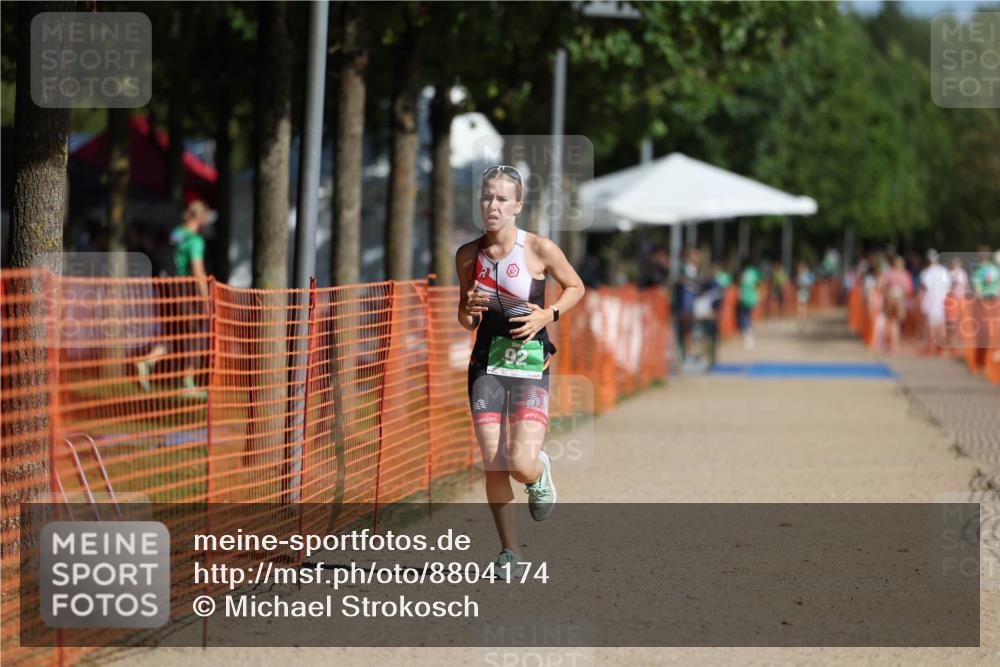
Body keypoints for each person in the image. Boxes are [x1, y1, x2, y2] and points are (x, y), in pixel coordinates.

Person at [456, 165, 585, 575]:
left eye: (501, 199)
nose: (492, 205)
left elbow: (576, 287)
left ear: (517, 205)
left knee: (519, 462)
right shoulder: (467, 256)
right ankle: (510, 552)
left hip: (529, 365)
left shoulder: (539, 249)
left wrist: (548, 314)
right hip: (486, 365)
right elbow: (467, 319)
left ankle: (538, 472)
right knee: (493, 459)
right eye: (486, 197)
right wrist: (467, 309)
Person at [135, 200, 212, 399]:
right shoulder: (196, 241)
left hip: (165, 289)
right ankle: (188, 383)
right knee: (194, 333)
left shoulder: (176, 233)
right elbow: (197, 271)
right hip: (182, 290)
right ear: (200, 219)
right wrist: (205, 299)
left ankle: (148, 360)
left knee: (173, 333)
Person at [672, 247, 701, 368]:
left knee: (689, 332)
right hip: (683, 307)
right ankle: (682, 357)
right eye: (696, 255)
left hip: (690, 306)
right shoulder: (683, 270)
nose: (698, 258)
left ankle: (687, 355)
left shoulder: (694, 270)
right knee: (683, 332)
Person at [879, 255, 913, 355]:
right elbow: (908, 289)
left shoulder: (890, 273)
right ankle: (894, 346)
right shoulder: (905, 274)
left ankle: (890, 345)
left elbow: (883, 286)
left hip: (890, 299)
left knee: (890, 323)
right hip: (899, 299)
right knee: (895, 324)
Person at [919, 250, 950, 355]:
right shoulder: (943, 271)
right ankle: (941, 349)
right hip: (941, 301)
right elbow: (948, 286)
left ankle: (932, 348)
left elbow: (925, 287)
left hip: (932, 301)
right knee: (941, 325)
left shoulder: (926, 272)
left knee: (932, 326)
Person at [736, 261, 761, 349]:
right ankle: (749, 335)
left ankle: (747, 335)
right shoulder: (754, 272)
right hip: (752, 298)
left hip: (744, 298)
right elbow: (758, 283)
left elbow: (740, 284)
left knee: (744, 317)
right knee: (748, 316)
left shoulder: (743, 273)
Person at [795, 261, 815, 330]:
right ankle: (802, 319)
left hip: (803, 291)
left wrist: (801, 284)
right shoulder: (803, 275)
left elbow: (806, 284)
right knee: (802, 306)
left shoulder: (804, 275)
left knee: (802, 306)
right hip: (802, 291)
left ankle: (802, 319)